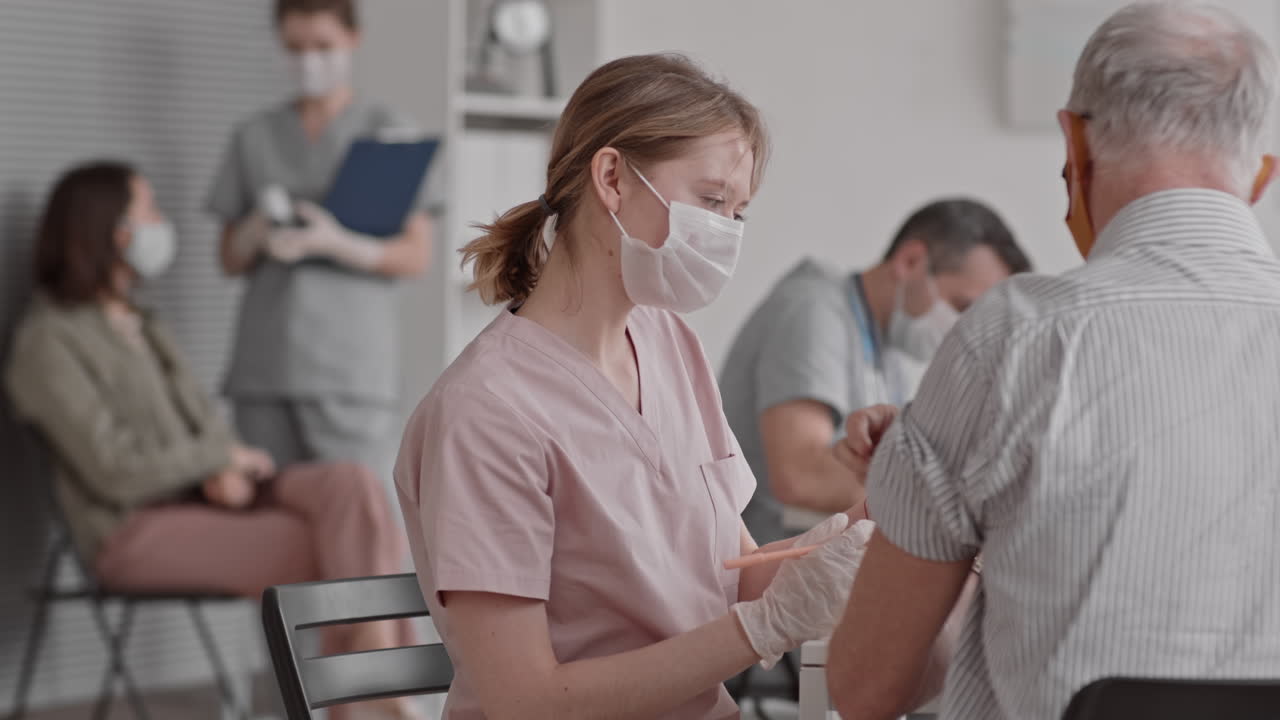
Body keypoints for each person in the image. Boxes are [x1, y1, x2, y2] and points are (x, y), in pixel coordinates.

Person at [393, 54, 897, 720]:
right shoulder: (486, 411)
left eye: (738, 213)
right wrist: (761, 629)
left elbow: (733, 577)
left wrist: (874, 520)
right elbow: (524, 700)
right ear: (611, 178)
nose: (726, 233)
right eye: (712, 201)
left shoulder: (668, 344)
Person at [827, 4, 1280, 719]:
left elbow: (865, 689)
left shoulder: (1013, 337)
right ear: (1260, 176)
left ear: (1074, 144)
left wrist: (940, 522)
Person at [5, 162, 419, 720]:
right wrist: (215, 458)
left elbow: (204, 422)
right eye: (149, 209)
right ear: (112, 229)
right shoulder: (46, 341)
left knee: (354, 488)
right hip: (130, 530)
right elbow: (111, 468)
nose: (162, 223)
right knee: (339, 548)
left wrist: (226, 466)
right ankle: (376, 699)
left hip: (209, 497)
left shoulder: (143, 322)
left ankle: (365, 696)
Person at [206, 0, 439, 477]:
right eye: (294, 48)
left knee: (356, 523)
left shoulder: (388, 132)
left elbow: (416, 255)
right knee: (269, 525)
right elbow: (228, 258)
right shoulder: (254, 136)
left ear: (353, 39)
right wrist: (253, 233)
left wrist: (338, 243)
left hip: (349, 372)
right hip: (264, 367)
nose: (308, 60)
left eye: (323, 46)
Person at [719, 199, 1031, 544]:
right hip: (762, 565)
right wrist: (952, 488)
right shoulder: (813, 311)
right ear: (911, 261)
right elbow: (800, 477)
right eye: (963, 307)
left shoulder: (887, 347)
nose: (968, 330)